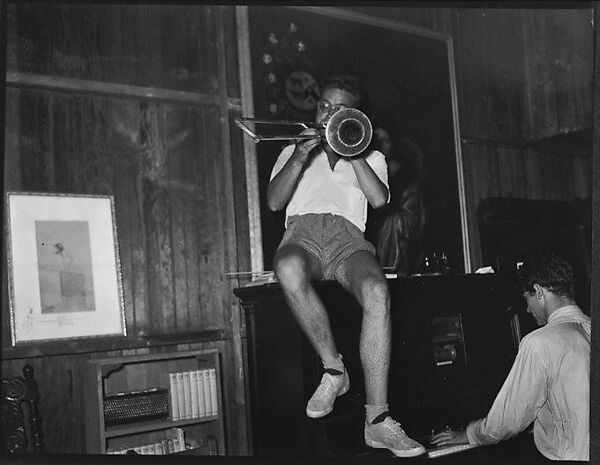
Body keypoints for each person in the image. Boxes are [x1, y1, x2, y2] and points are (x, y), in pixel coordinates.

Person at [267, 74, 426, 458]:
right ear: (317, 107)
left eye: (340, 110)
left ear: (354, 115)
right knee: (286, 267)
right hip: (302, 233)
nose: (329, 114)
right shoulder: (294, 150)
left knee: (376, 291)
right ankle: (335, 370)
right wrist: (302, 155)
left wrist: (353, 149)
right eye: (325, 106)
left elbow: (379, 200)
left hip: (348, 239)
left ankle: (377, 420)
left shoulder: (372, 156)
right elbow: (274, 202)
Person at [431, 252, 590, 461]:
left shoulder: (539, 342)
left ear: (539, 292)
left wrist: (467, 434)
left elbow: (507, 421)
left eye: (528, 298)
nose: (527, 308)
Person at [366, 126, 425, 275]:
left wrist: (391, 222)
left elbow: (413, 216)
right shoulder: (366, 173)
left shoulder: (406, 175)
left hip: (395, 237)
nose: (381, 145)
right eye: (377, 141)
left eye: (385, 140)